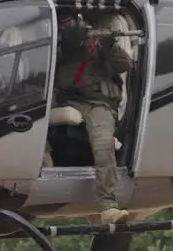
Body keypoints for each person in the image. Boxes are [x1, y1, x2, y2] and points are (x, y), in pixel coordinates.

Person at [54, 13, 133, 225]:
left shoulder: (104, 46)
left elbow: (125, 65)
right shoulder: (67, 42)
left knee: (102, 145)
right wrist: (70, 41)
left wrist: (109, 46)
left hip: (99, 103)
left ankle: (108, 206)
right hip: (68, 98)